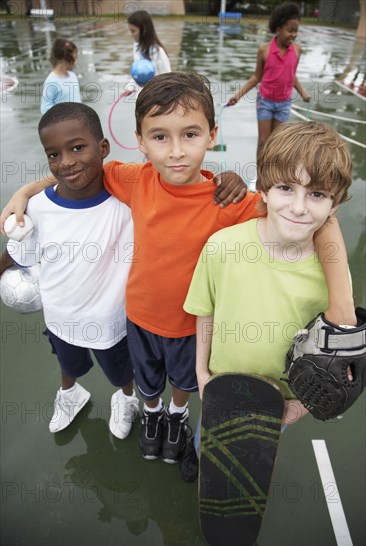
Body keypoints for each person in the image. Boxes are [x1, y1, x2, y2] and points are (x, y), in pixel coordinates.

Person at [0, 73, 355, 467]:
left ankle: (177, 415)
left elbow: (309, 215)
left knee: (184, 384)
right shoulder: (134, 179)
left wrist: (343, 308)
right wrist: (24, 191)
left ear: (212, 134)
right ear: (139, 140)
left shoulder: (228, 200)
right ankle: (152, 415)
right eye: (160, 137)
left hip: (191, 327)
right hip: (138, 318)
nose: (175, 152)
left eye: (190, 134)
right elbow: (77, 169)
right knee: (148, 382)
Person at [181, 120, 353, 481]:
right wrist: (201, 372)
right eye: (286, 188)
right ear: (262, 188)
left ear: (335, 205)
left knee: (257, 457)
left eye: (317, 194)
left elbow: (335, 353)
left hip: (281, 400)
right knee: (207, 443)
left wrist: (304, 405)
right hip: (220, 387)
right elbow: (205, 311)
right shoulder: (223, 246)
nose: (300, 207)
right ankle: (198, 456)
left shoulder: (333, 275)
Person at [0, 103, 140, 438]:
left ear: (103, 148)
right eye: (53, 154)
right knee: (67, 365)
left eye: (77, 147)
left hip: (110, 321)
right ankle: (70, 395)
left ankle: (128, 400)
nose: (66, 162)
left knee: (121, 372)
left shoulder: (128, 203)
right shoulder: (37, 209)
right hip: (60, 317)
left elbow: (176, 182)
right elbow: (18, 253)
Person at [227, 2, 311, 159]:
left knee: (277, 142)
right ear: (278, 29)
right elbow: (256, 77)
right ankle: (260, 177)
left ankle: (272, 176)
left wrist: (303, 93)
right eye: (290, 30)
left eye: (296, 31)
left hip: (284, 103)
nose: (293, 35)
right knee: (263, 142)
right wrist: (237, 96)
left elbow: (292, 75)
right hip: (265, 102)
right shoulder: (264, 50)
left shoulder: (297, 50)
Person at [40, 38, 81, 114]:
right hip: (63, 124)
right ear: (67, 57)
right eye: (75, 58)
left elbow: (77, 101)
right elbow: (45, 108)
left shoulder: (73, 76)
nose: (76, 62)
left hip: (76, 121)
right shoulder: (51, 81)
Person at [127, 10, 171, 76]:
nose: (131, 35)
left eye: (133, 31)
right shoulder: (136, 47)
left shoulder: (158, 53)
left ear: (144, 30)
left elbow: (168, 78)